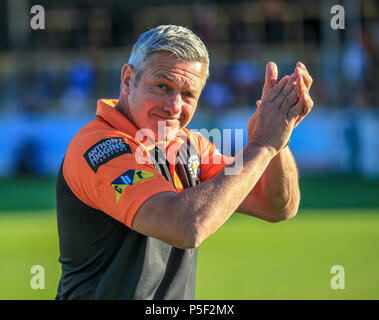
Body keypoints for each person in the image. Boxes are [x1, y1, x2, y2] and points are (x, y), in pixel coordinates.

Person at [55, 25, 314, 300]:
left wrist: (278, 138)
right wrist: (262, 145)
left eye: (188, 94)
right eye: (163, 86)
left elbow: (277, 206)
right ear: (128, 80)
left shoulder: (189, 144)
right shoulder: (101, 147)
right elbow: (185, 227)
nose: (174, 106)